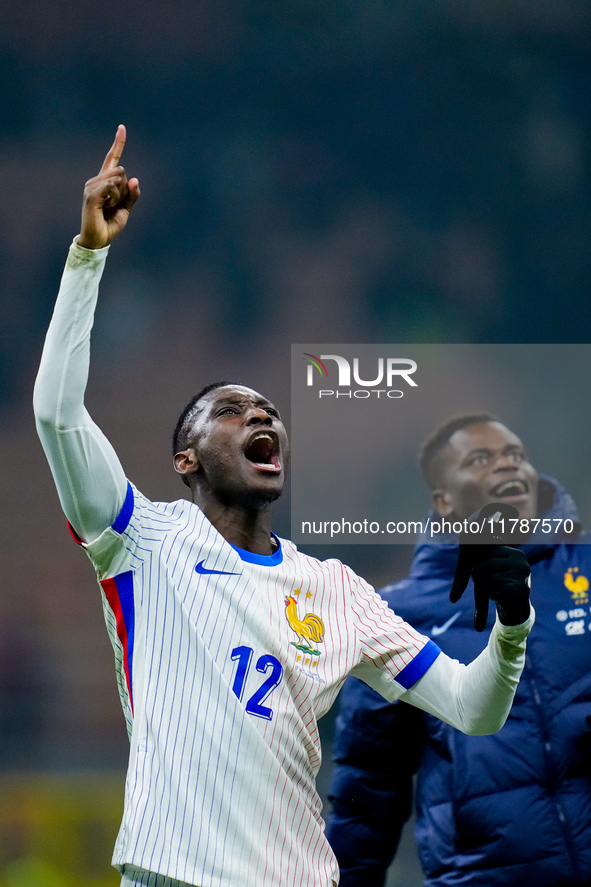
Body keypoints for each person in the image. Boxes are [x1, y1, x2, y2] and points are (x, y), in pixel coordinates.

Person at [33, 130, 534, 887]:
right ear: (186, 458)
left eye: (268, 408)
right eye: (231, 410)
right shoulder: (140, 539)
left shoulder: (336, 589)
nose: (260, 416)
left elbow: (474, 708)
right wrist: (88, 255)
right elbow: (57, 415)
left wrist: (511, 623)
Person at [326, 413, 591, 887]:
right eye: (481, 459)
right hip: (482, 876)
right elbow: (368, 790)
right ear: (444, 501)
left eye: (516, 456)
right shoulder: (396, 614)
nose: (508, 467)